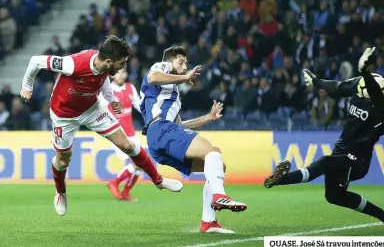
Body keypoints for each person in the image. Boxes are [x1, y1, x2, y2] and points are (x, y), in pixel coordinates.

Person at [20, 35, 183, 217]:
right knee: (63, 161)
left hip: (92, 108)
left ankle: (158, 180)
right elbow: (36, 61)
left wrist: (111, 98)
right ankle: (60, 192)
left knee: (128, 145)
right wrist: (27, 86)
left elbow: (102, 77)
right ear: (108, 61)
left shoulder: (104, 67)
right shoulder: (73, 64)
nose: (123, 67)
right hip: (64, 115)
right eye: (121, 63)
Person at [264, 47, 384, 233]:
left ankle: (282, 180)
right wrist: (317, 82)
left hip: (359, 160)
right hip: (342, 151)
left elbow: (377, 97)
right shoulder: (362, 86)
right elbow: (338, 87)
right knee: (334, 196)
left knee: (325, 162)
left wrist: (365, 72)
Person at [140, 46, 247, 234]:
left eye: (186, 62)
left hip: (160, 137)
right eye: (181, 61)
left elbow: (180, 126)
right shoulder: (162, 65)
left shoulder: (170, 95)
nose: (184, 65)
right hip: (161, 129)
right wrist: (185, 77)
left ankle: (209, 222)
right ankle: (220, 196)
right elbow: (152, 77)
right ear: (170, 60)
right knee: (213, 151)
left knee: (217, 167)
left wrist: (207, 118)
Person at [101, 68, 143, 202]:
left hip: (131, 132)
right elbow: (99, 108)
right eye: (118, 72)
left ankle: (125, 192)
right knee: (137, 163)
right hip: (116, 133)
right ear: (113, 74)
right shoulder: (107, 90)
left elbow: (139, 105)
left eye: (124, 72)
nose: (121, 75)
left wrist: (153, 116)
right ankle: (115, 183)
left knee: (140, 165)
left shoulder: (130, 88)